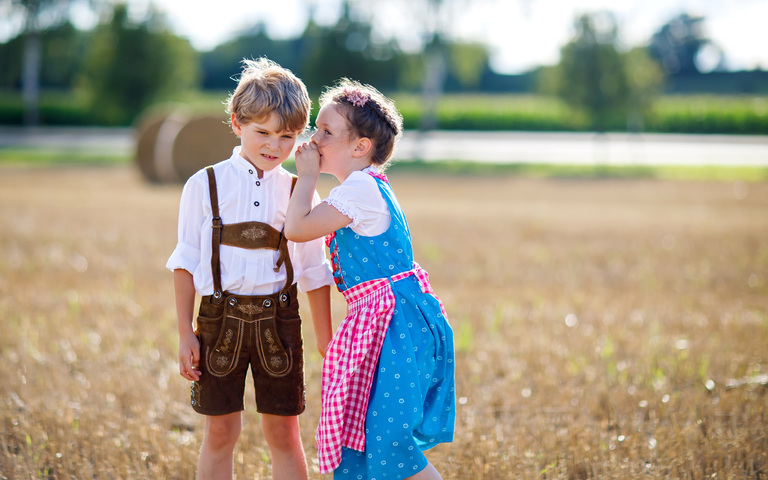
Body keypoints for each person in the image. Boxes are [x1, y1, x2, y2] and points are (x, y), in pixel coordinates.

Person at [167, 58, 334, 480]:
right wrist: (186, 332)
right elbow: (185, 263)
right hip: (219, 319)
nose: (274, 146)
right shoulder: (203, 185)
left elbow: (315, 271)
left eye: (287, 136)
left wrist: (325, 340)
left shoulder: (298, 190)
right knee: (221, 431)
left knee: (284, 433)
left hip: (279, 320)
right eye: (263, 132)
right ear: (236, 123)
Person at [285, 79, 455, 480]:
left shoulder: (359, 189)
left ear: (360, 147)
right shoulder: (366, 186)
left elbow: (296, 227)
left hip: (392, 324)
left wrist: (305, 176)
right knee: (364, 432)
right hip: (387, 320)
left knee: (387, 439)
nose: (314, 139)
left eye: (326, 132)